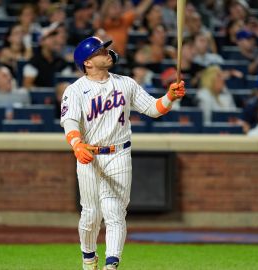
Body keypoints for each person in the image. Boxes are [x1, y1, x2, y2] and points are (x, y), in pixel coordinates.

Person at [60, 36, 185, 270]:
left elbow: (152, 108)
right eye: (100, 50)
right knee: (91, 215)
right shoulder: (75, 90)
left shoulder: (125, 83)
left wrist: (170, 97)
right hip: (89, 155)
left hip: (119, 153)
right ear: (87, 62)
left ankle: (111, 265)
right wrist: (76, 144)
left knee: (115, 212)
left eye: (106, 49)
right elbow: (69, 121)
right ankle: (89, 259)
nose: (107, 52)